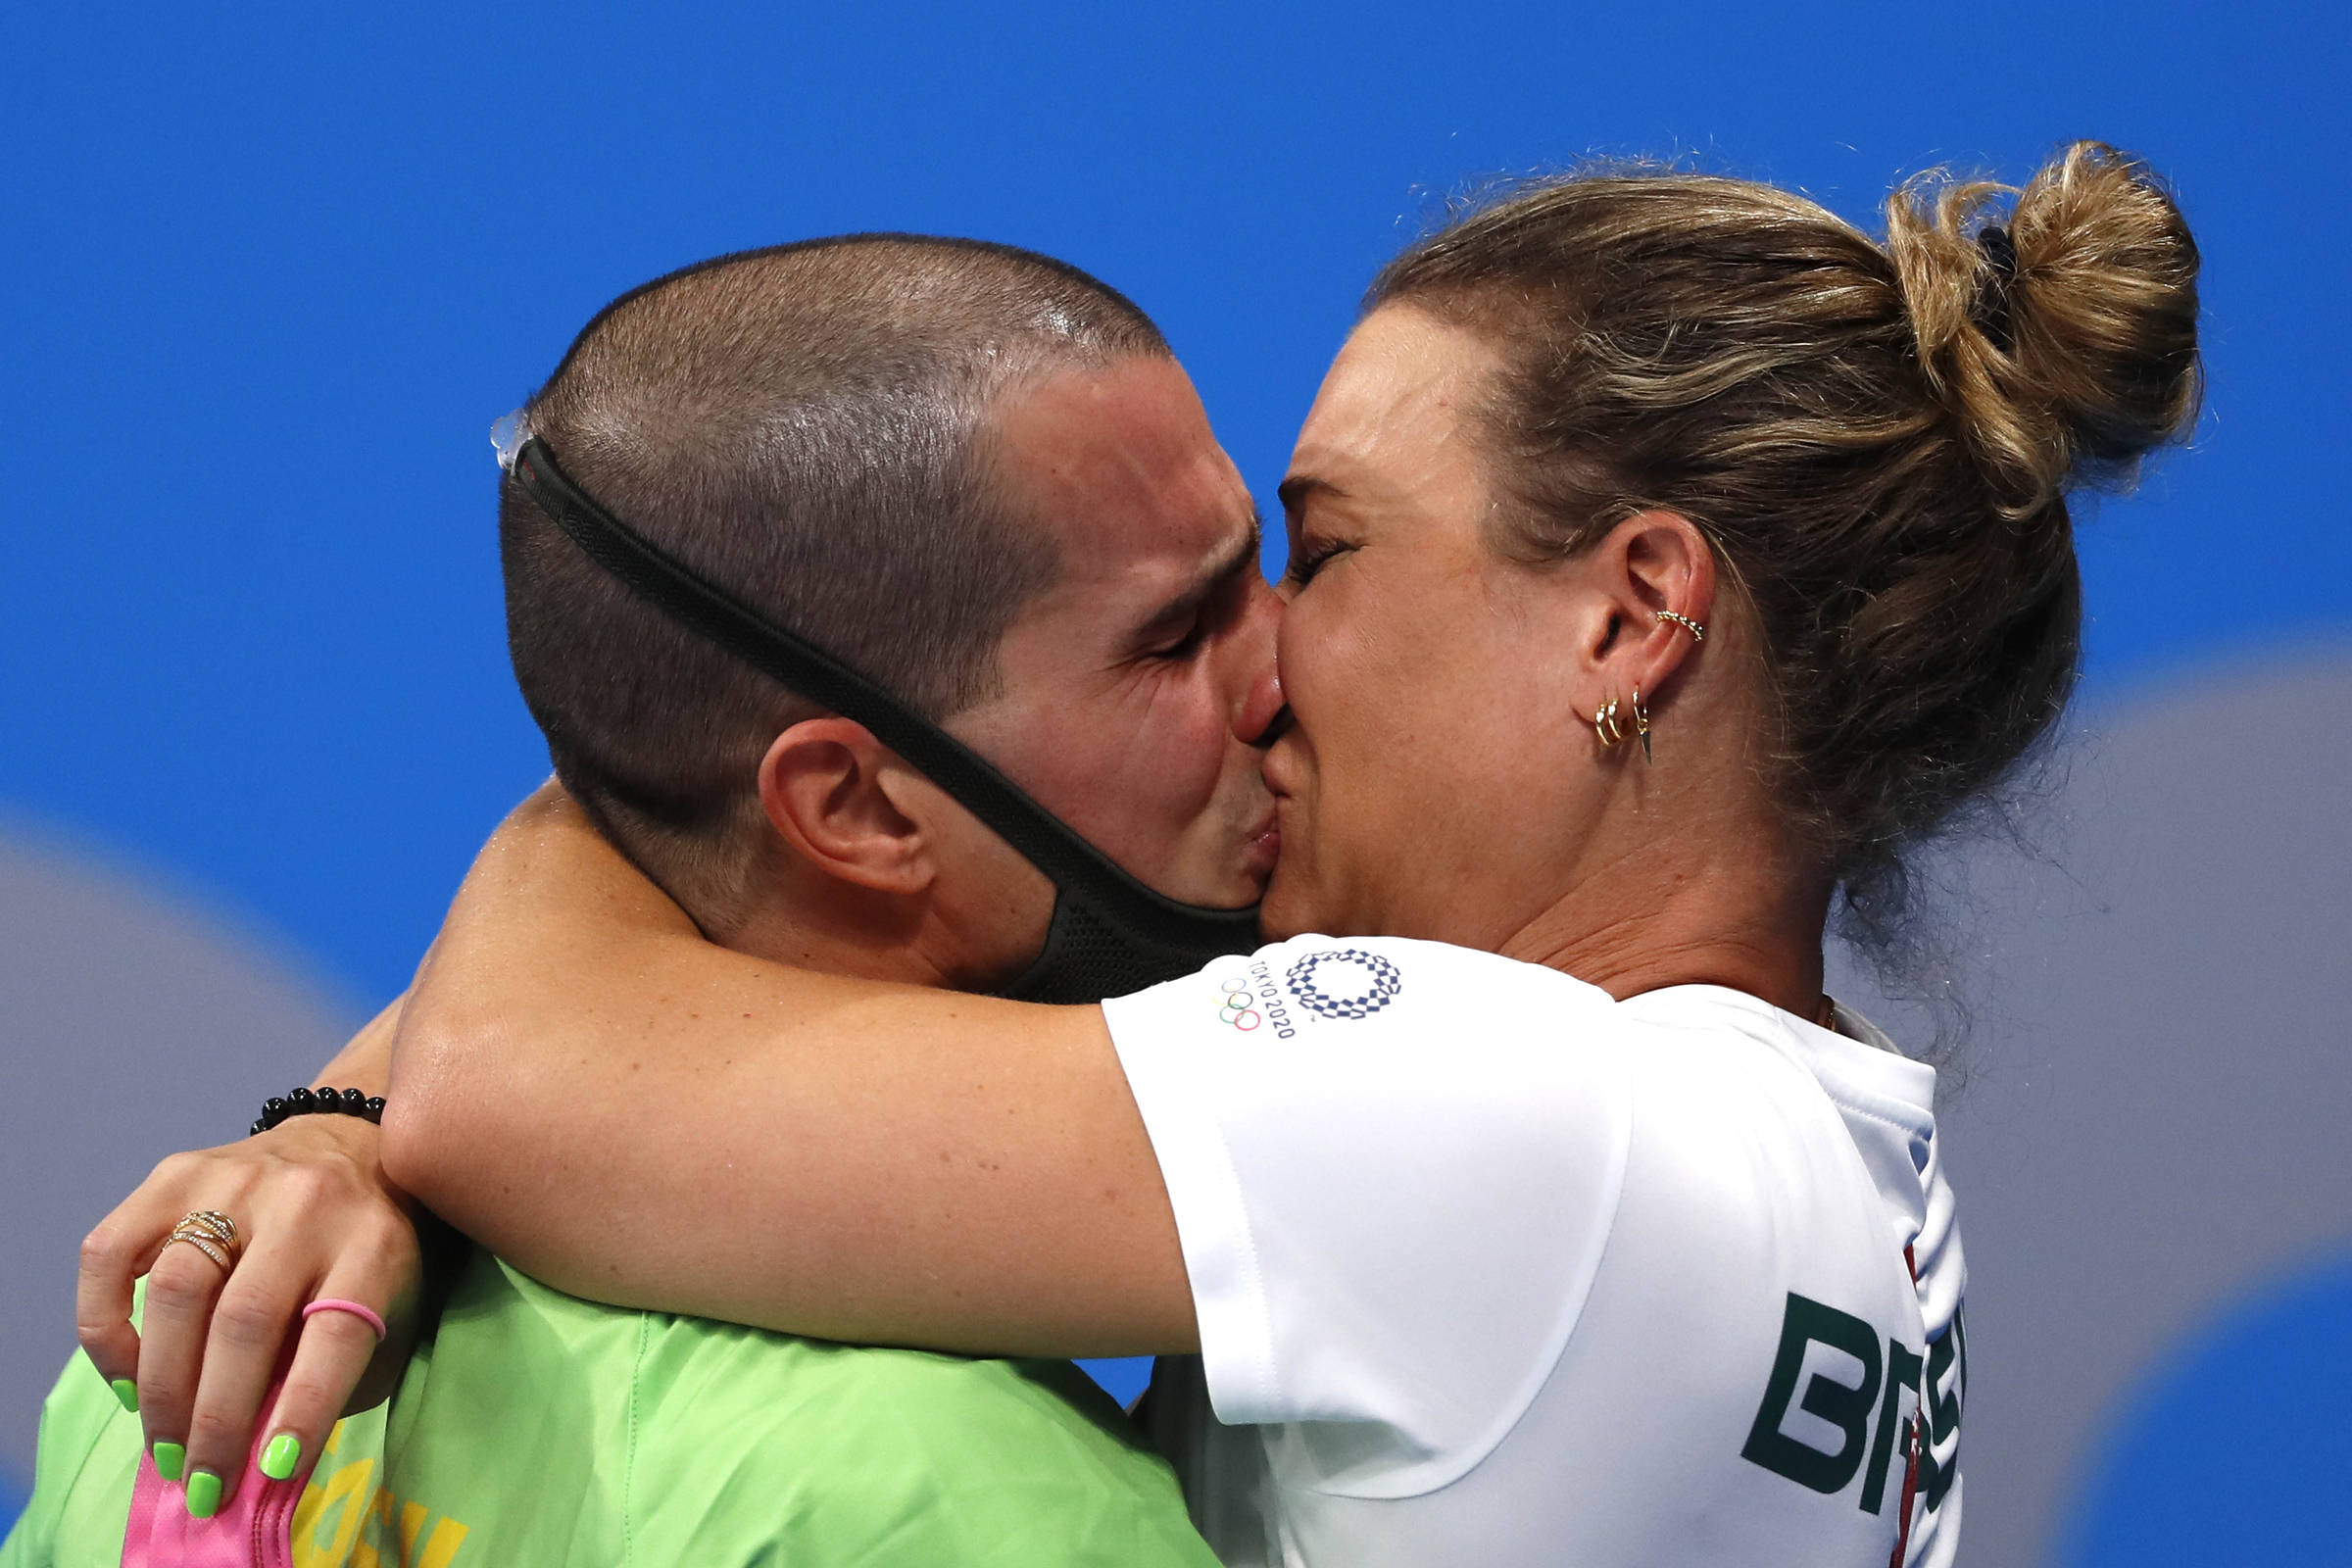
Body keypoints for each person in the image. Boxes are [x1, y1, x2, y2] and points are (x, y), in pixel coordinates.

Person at [61, 142, 2201, 1568]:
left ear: (1632, 616)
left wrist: (389, 1079)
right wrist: (363, 1111)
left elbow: (534, 1079)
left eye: (1326, 549)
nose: (1270, 658)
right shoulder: (1789, 1157)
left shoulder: (1508, 1123)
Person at [8, 233, 1294, 1565]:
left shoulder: (164, 1380)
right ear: (853, 809)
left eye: (1276, 560)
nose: (1285, 666)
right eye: (1178, 638)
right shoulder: (947, 1498)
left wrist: (337, 1130)